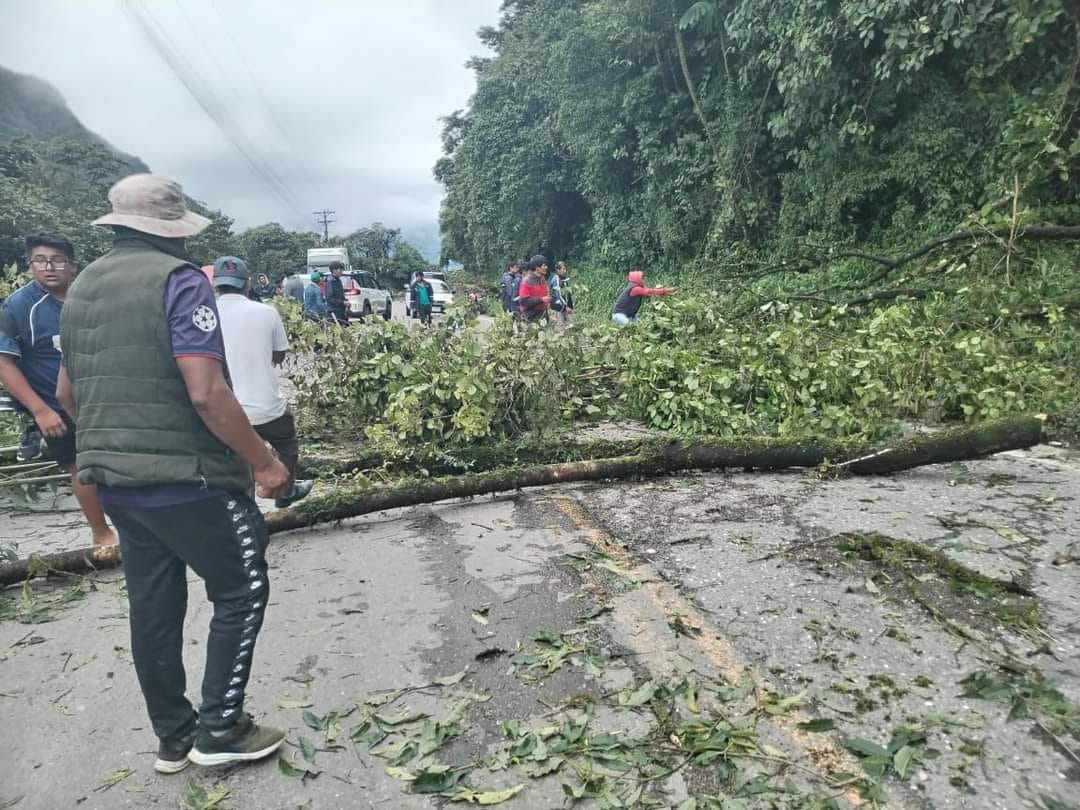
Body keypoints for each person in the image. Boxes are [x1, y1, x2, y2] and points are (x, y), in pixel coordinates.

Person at [57, 174, 291, 774]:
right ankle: (221, 728)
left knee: (153, 607)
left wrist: (119, 443)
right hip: (192, 481)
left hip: (117, 483)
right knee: (241, 588)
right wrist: (264, 463)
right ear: (174, 231)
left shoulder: (82, 287)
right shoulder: (181, 281)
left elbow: (67, 393)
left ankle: (173, 737)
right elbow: (207, 392)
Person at [0, 233, 117, 551]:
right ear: (30, 264)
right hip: (56, 407)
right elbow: (4, 362)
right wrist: (39, 410)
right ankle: (101, 533)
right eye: (40, 260)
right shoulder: (19, 306)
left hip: (104, 399)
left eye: (57, 260)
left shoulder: (91, 298)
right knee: (80, 467)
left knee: (120, 462)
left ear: (72, 265)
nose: (49, 267)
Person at [212, 256, 314, 509]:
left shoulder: (206, 316)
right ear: (248, 283)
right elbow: (278, 355)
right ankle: (285, 491)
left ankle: (244, 506)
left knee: (235, 457)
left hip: (223, 412)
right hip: (266, 409)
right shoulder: (267, 312)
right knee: (287, 443)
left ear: (216, 285)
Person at [611, 268, 676, 326]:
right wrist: (668, 290)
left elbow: (652, 293)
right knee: (632, 328)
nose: (643, 280)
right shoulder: (635, 288)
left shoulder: (637, 287)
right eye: (642, 278)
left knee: (641, 326)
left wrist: (668, 293)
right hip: (619, 315)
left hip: (630, 315)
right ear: (636, 278)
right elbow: (650, 292)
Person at [518, 254, 551, 324]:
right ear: (537, 267)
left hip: (543, 315)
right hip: (530, 318)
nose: (546, 267)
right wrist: (541, 300)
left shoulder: (542, 279)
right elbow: (524, 301)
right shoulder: (526, 281)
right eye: (544, 265)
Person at [550, 261, 573, 327]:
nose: (565, 271)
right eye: (563, 269)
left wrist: (570, 306)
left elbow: (567, 294)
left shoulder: (564, 279)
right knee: (560, 327)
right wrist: (566, 307)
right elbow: (558, 295)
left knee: (571, 325)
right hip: (558, 308)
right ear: (558, 270)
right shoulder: (555, 280)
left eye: (565, 269)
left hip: (565, 307)